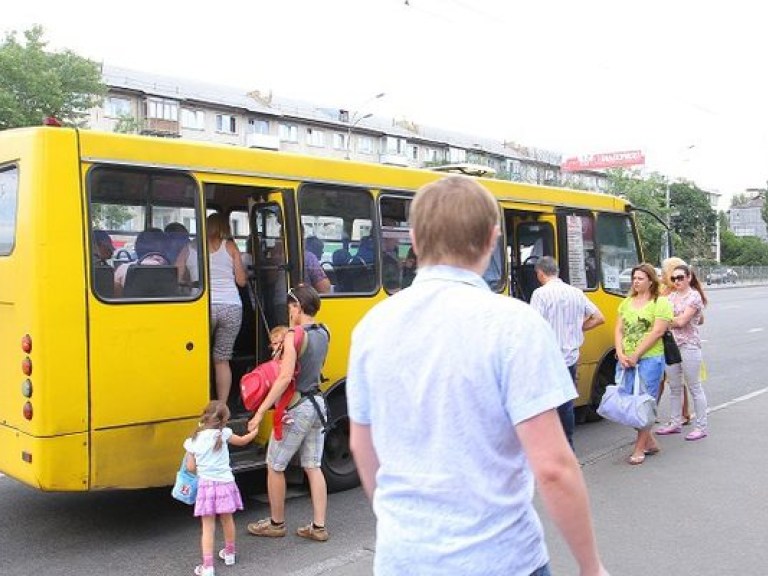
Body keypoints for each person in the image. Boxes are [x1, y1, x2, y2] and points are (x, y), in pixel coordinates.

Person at [347, 176, 608, 576]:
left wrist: (406, 528)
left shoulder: (371, 327)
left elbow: (363, 447)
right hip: (501, 560)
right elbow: (554, 467)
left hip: (403, 559)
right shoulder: (513, 324)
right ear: (492, 239)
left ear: (414, 240)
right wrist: (591, 567)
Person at [247, 284, 331, 543]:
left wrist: (260, 411)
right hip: (319, 404)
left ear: (298, 307)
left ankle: (276, 523)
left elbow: (284, 379)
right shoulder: (324, 331)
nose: (289, 312)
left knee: (275, 465)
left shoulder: (294, 335)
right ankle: (318, 527)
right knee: (313, 466)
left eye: (290, 306)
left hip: (298, 408)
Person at [530, 256, 605, 449]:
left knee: (546, 404)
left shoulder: (540, 294)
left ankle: (549, 448)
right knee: (566, 405)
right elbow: (598, 318)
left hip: (548, 358)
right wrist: (579, 328)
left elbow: (534, 327)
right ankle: (568, 447)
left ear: (540, 273)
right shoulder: (576, 293)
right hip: (571, 358)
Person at [183, 401, 259, 576]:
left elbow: (190, 468)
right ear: (224, 420)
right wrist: (254, 431)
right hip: (226, 483)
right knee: (227, 519)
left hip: (206, 486)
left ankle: (208, 566)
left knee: (208, 526)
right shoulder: (224, 434)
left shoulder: (193, 440)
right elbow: (243, 441)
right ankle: (230, 553)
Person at [615, 262, 671, 465]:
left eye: (640, 278)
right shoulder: (627, 301)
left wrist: (637, 354)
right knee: (627, 404)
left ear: (650, 281)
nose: (635, 282)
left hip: (650, 359)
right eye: (634, 278)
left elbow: (657, 332)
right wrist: (620, 352)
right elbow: (619, 329)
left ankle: (639, 448)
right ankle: (650, 441)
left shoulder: (660, 302)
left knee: (644, 403)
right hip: (626, 359)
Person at [655, 263, 709, 440]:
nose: (677, 281)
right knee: (675, 387)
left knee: (694, 386)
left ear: (689, 278)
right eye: (674, 278)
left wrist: (664, 322)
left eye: (680, 277)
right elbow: (660, 313)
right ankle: (675, 422)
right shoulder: (670, 297)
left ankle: (701, 426)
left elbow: (682, 321)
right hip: (672, 345)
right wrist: (666, 320)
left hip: (689, 345)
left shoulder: (694, 297)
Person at [208, 213, 248, 403]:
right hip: (231, 307)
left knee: (200, 355)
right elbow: (241, 281)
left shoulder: (192, 247)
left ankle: (204, 399)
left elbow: (180, 275)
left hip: (204, 308)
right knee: (221, 359)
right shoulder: (231, 247)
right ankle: (223, 405)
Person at [657, 256, 693, 424]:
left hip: (673, 342)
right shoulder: (661, 289)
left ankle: (683, 414)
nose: (661, 274)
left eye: (664, 272)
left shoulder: (680, 292)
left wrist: (668, 320)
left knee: (673, 379)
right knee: (663, 378)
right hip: (661, 338)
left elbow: (697, 319)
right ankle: (678, 413)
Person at [113, 228, 169, 297]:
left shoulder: (123, 269)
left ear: (137, 247)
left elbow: (116, 297)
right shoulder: (170, 269)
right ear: (164, 248)